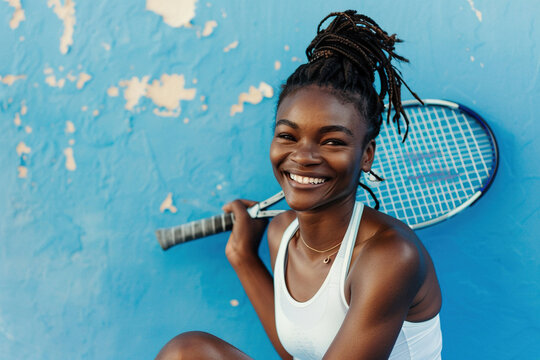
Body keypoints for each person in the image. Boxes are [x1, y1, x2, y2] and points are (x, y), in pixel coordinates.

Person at [155, 10, 442, 360]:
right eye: (288, 136)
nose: (303, 156)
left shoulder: (391, 256)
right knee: (187, 352)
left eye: (332, 141)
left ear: (366, 155)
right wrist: (243, 256)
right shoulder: (282, 233)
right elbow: (298, 352)